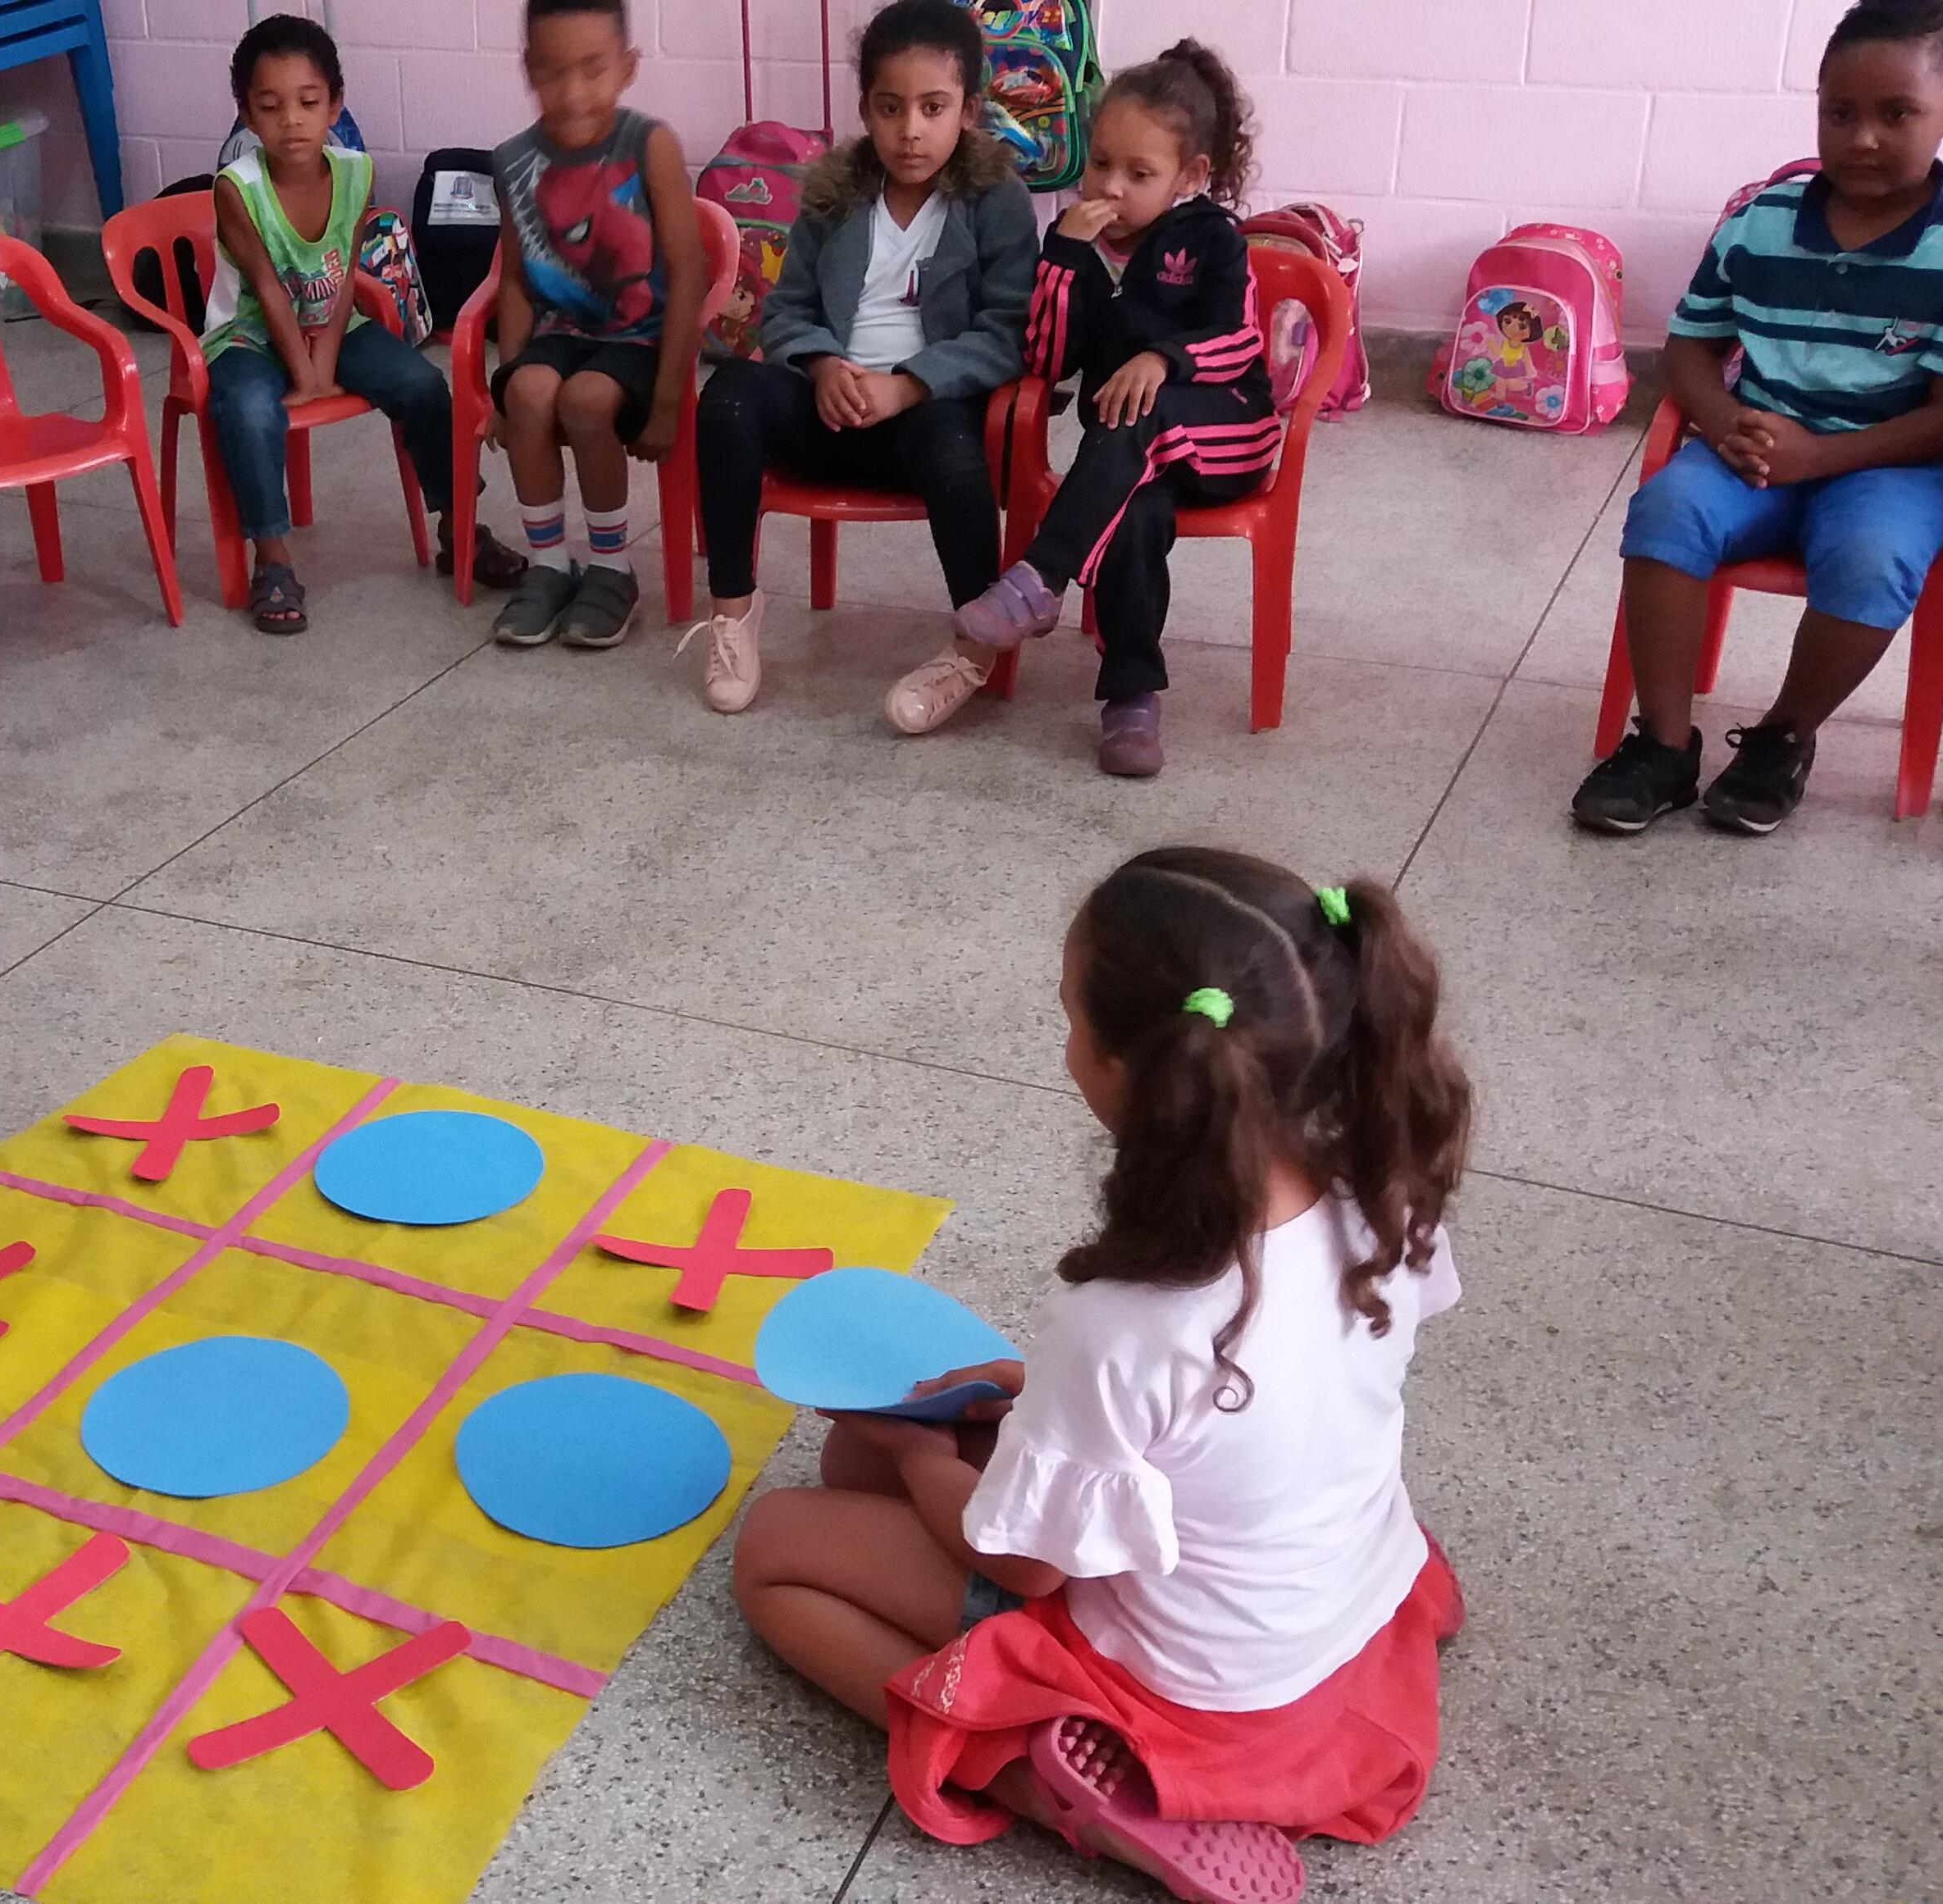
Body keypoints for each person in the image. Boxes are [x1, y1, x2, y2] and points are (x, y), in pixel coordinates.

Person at [732, 847, 1473, 1904]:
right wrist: (1034, 1405)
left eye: (1070, 1017)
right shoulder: (1382, 1191)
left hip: (1202, 1693)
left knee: (776, 1544)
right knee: (874, 1460)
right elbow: (1248, 1397)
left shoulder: (1125, 1318)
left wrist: (915, 1452)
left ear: (1131, 1069)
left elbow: (1026, 1568)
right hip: (1339, 1597)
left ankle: (1058, 1784)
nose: (1066, 1042)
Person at [1572, 0, 1943, 836]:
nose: (1862, 138)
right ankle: (1665, 746)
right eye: (1839, 112)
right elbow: (1690, 349)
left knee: (1872, 557)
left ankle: (1783, 737)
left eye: (1898, 114)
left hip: (1893, 463)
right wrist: (1719, 418)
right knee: (1667, 510)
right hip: (1757, 444)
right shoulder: (1761, 222)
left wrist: (1823, 457)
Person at [881, 41, 1271, 777]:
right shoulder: (1079, 243)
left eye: (1140, 174)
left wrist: (1165, 359)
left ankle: (1038, 580)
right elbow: (1049, 360)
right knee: (1136, 514)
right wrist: (1062, 259)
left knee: (1138, 411)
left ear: (1190, 177)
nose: (1111, 187)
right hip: (1130, 462)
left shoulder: (1212, 239)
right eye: (1100, 164)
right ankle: (1132, 698)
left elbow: (1240, 339)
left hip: (1225, 433)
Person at [675, 0, 1039, 716]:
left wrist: (909, 386)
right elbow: (786, 314)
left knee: (954, 446)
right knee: (727, 397)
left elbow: (1008, 333)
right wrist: (820, 368)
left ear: (968, 111)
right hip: (827, 410)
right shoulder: (834, 193)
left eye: (933, 107)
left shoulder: (997, 201)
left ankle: (971, 652)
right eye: (890, 106)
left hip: (924, 420)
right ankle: (733, 615)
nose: (911, 130)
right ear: (866, 108)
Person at [199, 14, 527, 635]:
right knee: (247, 409)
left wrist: (325, 362)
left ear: (335, 105)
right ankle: (271, 558)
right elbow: (268, 287)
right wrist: (306, 371)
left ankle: (460, 528)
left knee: (423, 386)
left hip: (334, 324)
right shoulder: (235, 188)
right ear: (245, 113)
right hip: (250, 336)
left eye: (308, 102)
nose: (291, 120)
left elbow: (347, 270)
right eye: (270, 106)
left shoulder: (356, 171)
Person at [485, 0, 709, 649]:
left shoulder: (649, 145)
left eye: (593, 69)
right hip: (561, 332)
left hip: (640, 335)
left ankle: (612, 567)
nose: (574, 92)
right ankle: (551, 563)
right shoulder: (513, 162)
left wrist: (667, 399)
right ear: (528, 70)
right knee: (529, 393)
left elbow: (689, 271)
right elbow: (518, 279)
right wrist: (505, 384)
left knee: (586, 401)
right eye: (553, 72)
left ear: (627, 67)